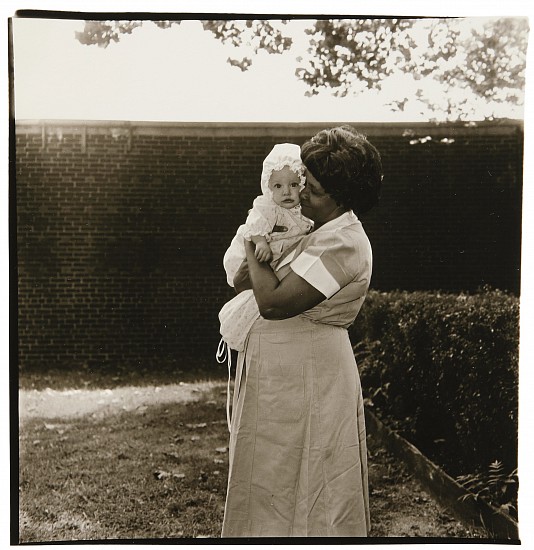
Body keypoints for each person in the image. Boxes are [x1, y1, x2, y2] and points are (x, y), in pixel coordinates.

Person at [221, 125, 383, 538]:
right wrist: (264, 239)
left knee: (317, 481)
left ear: (342, 196)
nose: (301, 192)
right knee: (271, 479)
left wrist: (257, 237)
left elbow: (274, 303)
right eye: (303, 182)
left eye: (313, 188)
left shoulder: (343, 242)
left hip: (313, 376)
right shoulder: (310, 228)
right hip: (281, 378)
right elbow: (244, 281)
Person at [219, 143, 312, 353]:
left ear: (303, 184)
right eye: (278, 186)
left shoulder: (303, 210)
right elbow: (252, 227)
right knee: (252, 299)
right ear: (268, 186)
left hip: (284, 263)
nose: (286, 191)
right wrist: (261, 242)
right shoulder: (268, 206)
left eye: (294, 184)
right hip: (264, 254)